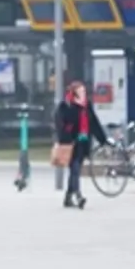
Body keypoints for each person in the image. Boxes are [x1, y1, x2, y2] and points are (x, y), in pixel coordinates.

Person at [54, 80, 108, 209]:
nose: (84, 93)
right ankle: (78, 195)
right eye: (81, 91)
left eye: (84, 91)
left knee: (75, 169)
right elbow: (62, 123)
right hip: (71, 142)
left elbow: (94, 123)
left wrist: (103, 140)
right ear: (74, 92)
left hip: (83, 140)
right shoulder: (66, 105)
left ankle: (68, 196)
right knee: (75, 168)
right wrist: (65, 138)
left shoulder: (86, 105)